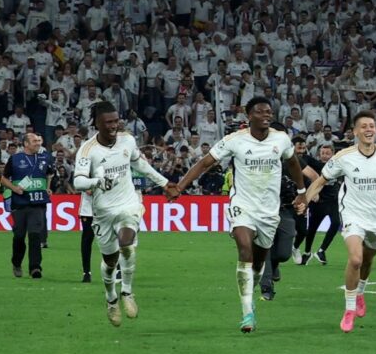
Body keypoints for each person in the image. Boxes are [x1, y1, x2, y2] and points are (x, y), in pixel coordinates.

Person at [167, 96, 301, 334]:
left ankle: (253, 286)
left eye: (269, 112)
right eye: (261, 112)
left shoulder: (281, 139)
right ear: (249, 116)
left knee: (259, 261)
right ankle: (247, 312)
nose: (267, 115)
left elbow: (293, 163)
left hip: (269, 210)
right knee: (244, 249)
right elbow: (205, 163)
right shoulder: (234, 140)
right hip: (242, 205)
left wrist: (301, 192)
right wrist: (181, 185)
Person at [289, 110, 376, 332]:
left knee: (367, 261)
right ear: (356, 131)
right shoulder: (343, 157)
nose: (369, 130)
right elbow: (320, 181)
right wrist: (306, 200)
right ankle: (349, 309)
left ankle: (360, 292)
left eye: (372, 126)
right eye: (364, 126)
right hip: (352, 214)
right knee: (356, 259)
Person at [71, 101, 168, 328]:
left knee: (127, 242)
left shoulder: (128, 140)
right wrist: (97, 181)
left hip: (128, 203)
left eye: (116, 121)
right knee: (110, 260)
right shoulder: (87, 150)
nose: (114, 126)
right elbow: (77, 181)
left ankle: (127, 291)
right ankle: (111, 298)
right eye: (109, 122)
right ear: (97, 123)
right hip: (103, 211)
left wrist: (164, 183)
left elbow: (139, 164)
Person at [0, 130, 54, 278]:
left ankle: (35, 268)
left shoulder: (44, 158)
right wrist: (15, 188)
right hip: (20, 203)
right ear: (26, 144)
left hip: (38, 203)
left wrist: (47, 187)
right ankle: (16, 262)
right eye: (35, 141)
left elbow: (50, 173)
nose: (38, 143)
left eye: (39, 141)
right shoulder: (15, 159)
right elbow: (4, 179)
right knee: (19, 236)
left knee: (35, 235)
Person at [294, 138, 344, 267]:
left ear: (333, 154)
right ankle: (307, 252)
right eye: (322, 153)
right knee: (312, 229)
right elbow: (301, 157)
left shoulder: (339, 165)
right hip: (318, 202)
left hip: (333, 201)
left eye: (327, 153)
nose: (325, 156)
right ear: (319, 154)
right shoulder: (315, 164)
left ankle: (322, 250)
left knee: (336, 223)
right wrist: (300, 146)